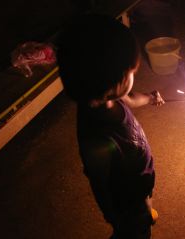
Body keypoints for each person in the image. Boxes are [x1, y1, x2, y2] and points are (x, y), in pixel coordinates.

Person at [56, 14, 164, 239]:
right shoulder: (97, 139)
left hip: (138, 184)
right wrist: (116, 218)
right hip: (127, 203)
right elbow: (100, 185)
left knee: (144, 202)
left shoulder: (106, 97)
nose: (135, 74)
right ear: (113, 84)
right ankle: (136, 224)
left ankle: (144, 211)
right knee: (135, 232)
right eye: (131, 72)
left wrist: (150, 97)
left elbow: (131, 98)